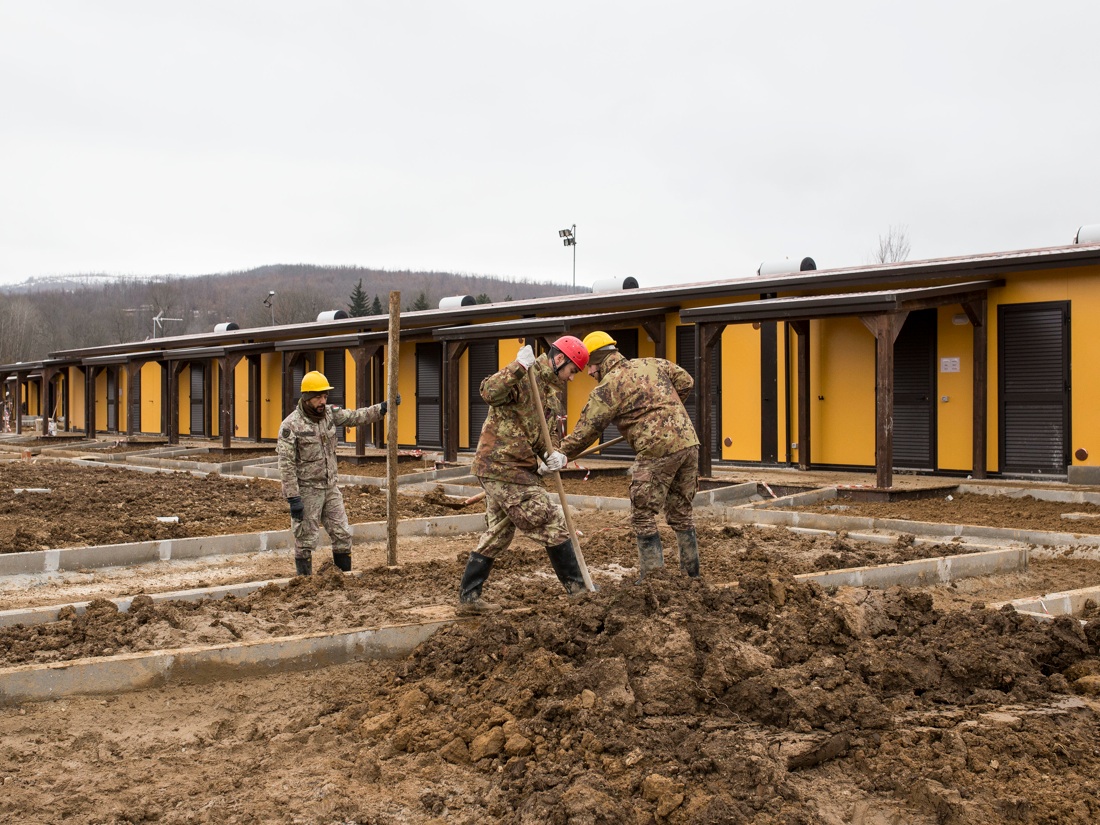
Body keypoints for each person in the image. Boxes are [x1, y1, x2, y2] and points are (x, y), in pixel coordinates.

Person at [458, 336, 590, 615]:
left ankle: (469, 598)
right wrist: (517, 366)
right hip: (502, 466)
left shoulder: (550, 394)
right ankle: (579, 592)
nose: (572, 378)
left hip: (517, 469)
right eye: (572, 371)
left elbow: (544, 437)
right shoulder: (523, 376)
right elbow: (488, 392)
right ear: (559, 359)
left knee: (499, 532)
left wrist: (552, 456)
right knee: (551, 520)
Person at [557, 331, 701, 580]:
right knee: (682, 513)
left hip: (657, 450)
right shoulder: (652, 363)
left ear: (599, 360)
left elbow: (587, 430)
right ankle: (692, 578)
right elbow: (686, 381)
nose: (589, 372)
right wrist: (664, 413)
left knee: (643, 515)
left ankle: (653, 582)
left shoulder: (608, 387)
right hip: (688, 442)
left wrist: (560, 454)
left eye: (590, 366)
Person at [276, 370, 399, 576]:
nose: (323, 401)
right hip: (307, 491)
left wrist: (382, 408)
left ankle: (343, 580)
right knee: (305, 539)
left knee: (342, 534)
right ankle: (303, 584)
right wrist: (293, 497)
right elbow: (286, 464)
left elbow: (356, 416)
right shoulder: (291, 426)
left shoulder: (330, 414)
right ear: (306, 397)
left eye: (325, 396)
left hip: (330, 489)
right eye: (318, 397)